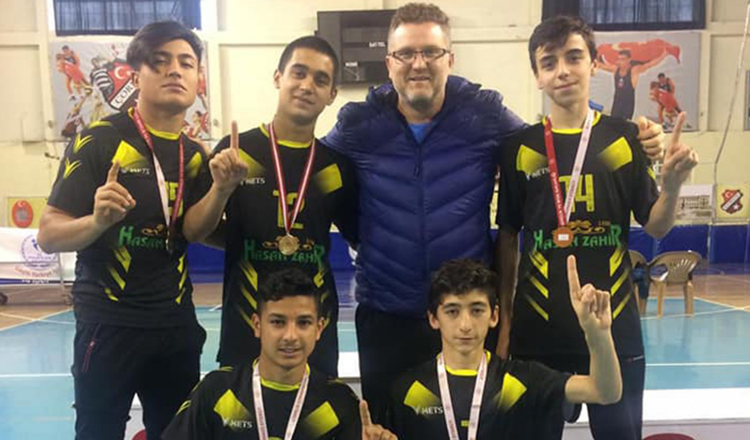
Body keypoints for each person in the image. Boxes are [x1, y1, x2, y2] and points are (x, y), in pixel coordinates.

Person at [322, 2, 665, 422]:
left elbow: (556, 141)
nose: (418, 64)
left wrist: (638, 137)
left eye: (431, 52)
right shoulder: (358, 123)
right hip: (387, 313)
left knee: (477, 426)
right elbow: (311, 171)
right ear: (389, 62)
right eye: (406, 53)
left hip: (466, 314)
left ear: (450, 58)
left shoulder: (482, 113)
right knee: (386, 426)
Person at [496, 15, 698, 440]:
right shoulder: (518, 148)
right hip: (538, 333)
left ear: (594, 64)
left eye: (573, 57)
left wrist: (672, 186)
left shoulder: (625, 139)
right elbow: (508, 236)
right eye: (549, 62)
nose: (562, 71)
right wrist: (506, 322)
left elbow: (656, 226)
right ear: (537, 76)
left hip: (615, 328)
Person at [37, 21, 211, 440]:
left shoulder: (195, 156)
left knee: (177, 434)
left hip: (175, 325)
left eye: (186, 63)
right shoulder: (98, 141)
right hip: (109, 323)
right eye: (160, 61)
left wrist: (223, 189)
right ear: (135, 77)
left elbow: (197, 231)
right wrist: (96, 221)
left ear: (197, 78)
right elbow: (48, 234)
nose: (175, 70)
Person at [183, 36, 358, 377]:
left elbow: (361, 236)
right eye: (299, 73)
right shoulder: (236, 152)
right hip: (245, 328)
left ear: (332, 94)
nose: (307, 85)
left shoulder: (336, 167)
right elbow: (193, 230)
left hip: (314, 333)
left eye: (320, 79)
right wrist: (221, 190)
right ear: (278, 77)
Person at [388, 258, 621, 439]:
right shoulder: (407, 391)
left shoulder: (525, 380)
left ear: (494, 316)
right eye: (452, 311)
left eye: (477, 310)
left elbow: (604, 392)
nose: (465, 325)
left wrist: (597, 335)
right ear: (433, 318)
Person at [163, 268, 395, 440]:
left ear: (319, 328)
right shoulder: (216, 391)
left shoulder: (338, 401)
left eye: (303, 323)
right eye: (277, 322)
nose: (290, 336)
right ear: (257, 325)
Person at [598, 48, 669, 119]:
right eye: (619, 59)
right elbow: (601, 66)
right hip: (616, 104)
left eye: (623, 59)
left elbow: (649, 65)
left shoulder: (634, 71)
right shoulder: (615, 69)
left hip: (627, 105)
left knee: (625, 123)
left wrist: (663, 55)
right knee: (614, 122)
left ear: (629, 60)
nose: (620, 61)